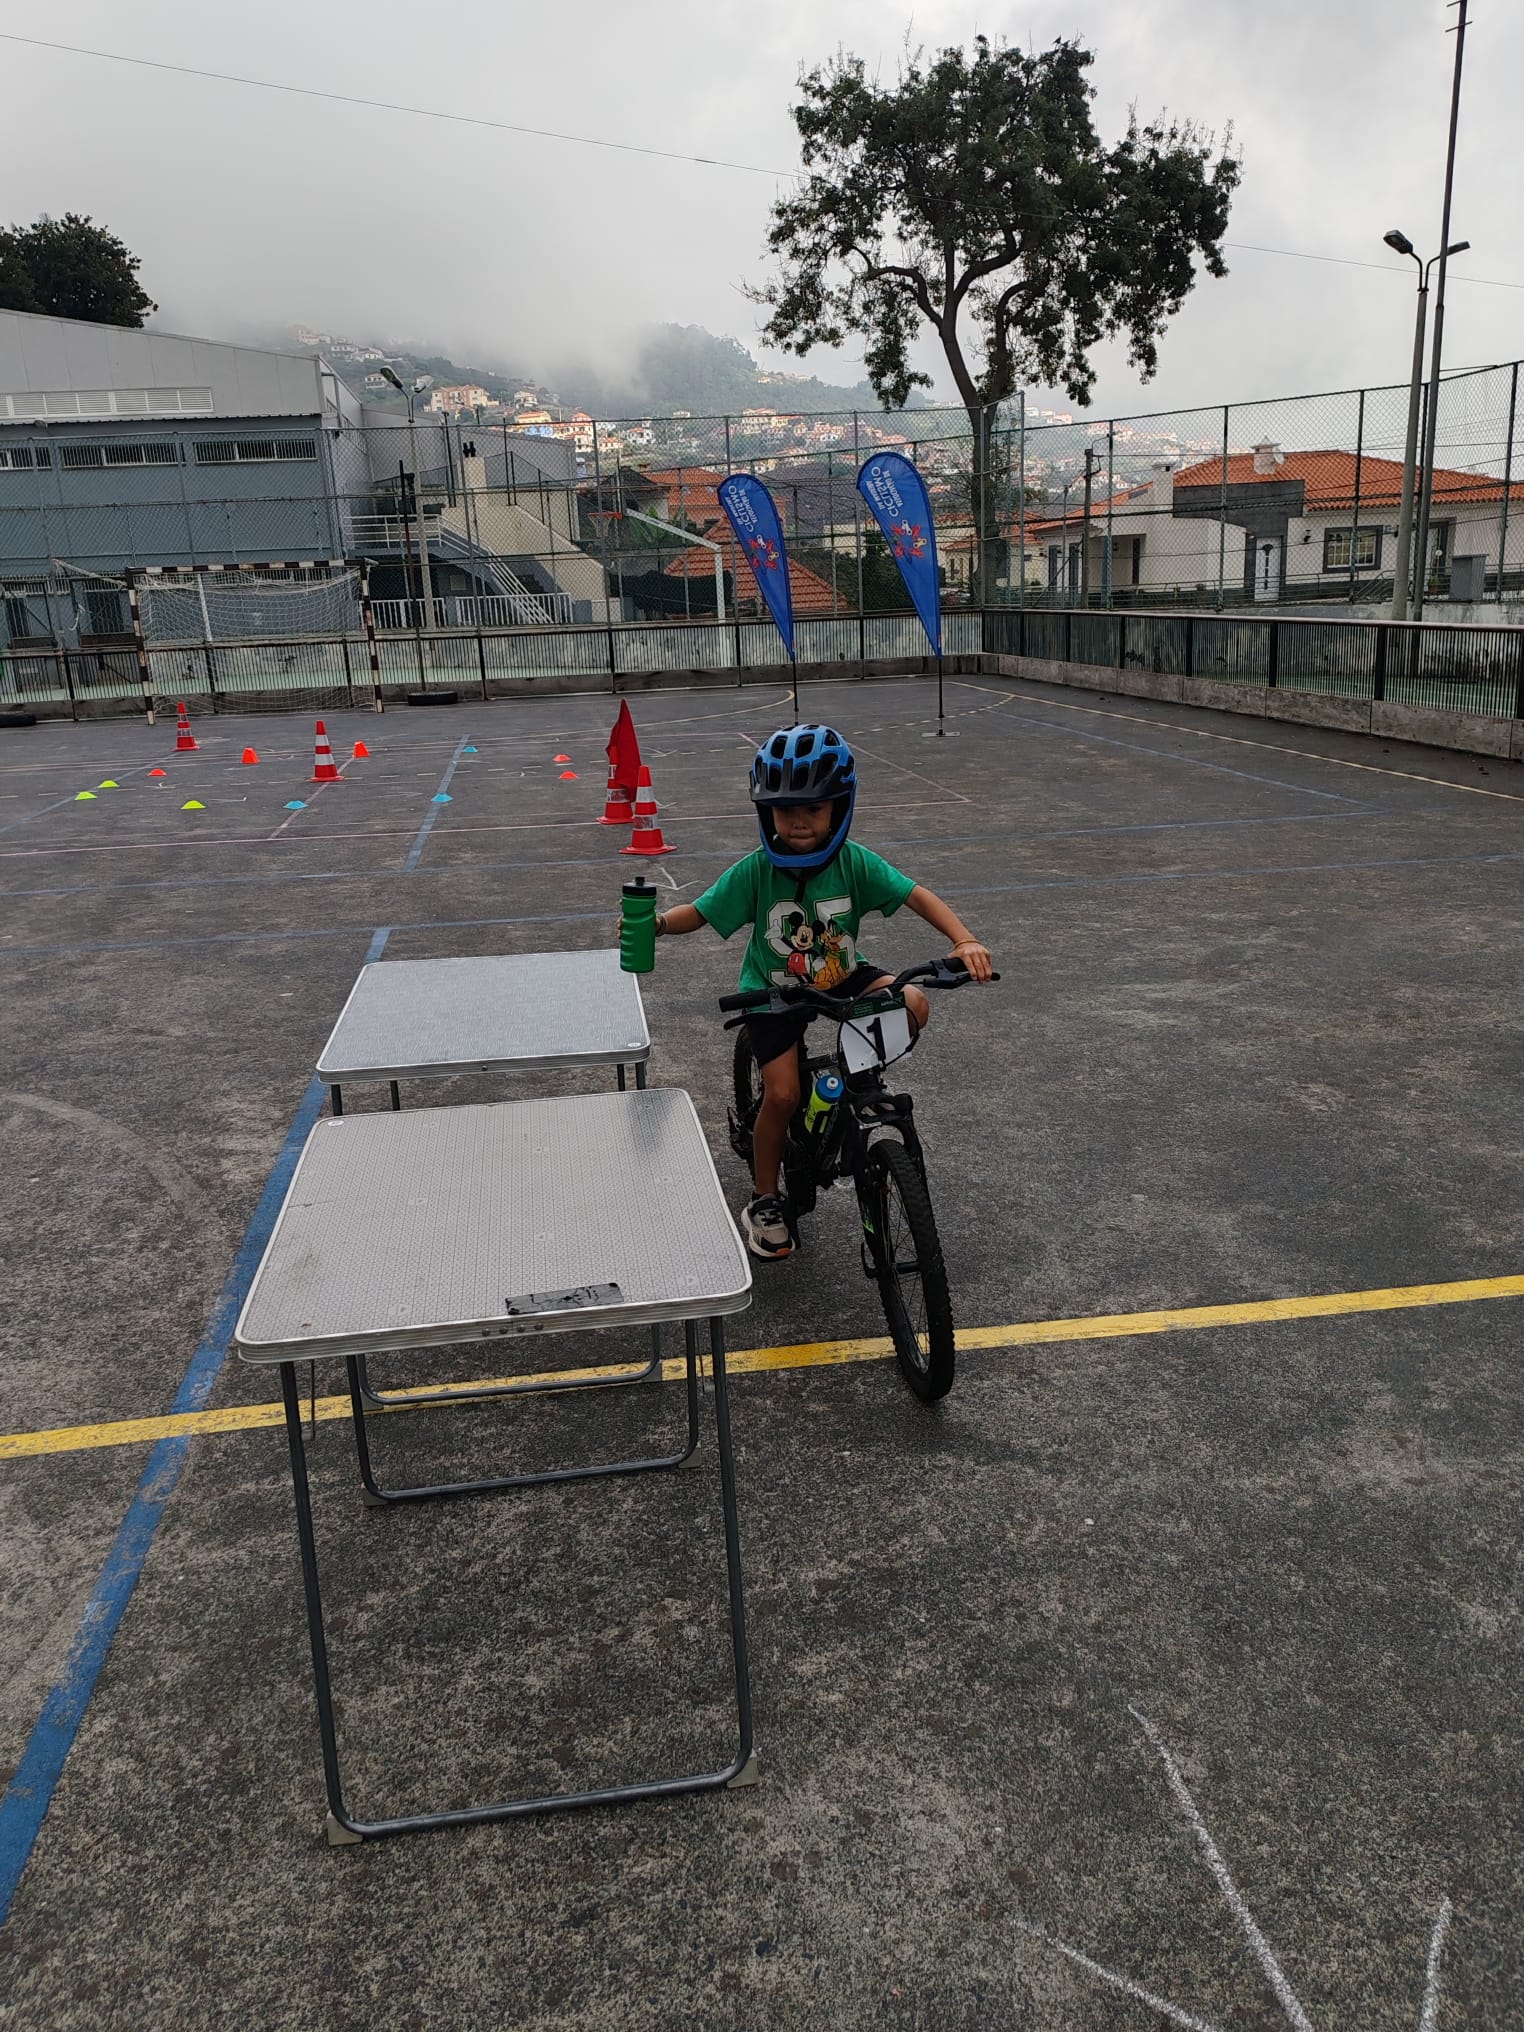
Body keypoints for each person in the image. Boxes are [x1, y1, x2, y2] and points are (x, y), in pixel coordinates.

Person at [648, 723, 993, 1261]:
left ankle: (856, 1076)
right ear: (766, 813)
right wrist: (659, 925)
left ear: (840, 806)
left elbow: (915, 895)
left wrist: (964, 939)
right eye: (785, 810)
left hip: (840, 974)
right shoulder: (757, 870)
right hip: (772, 988)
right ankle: (764, 1198)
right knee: (783, 1095)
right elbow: (701, 911)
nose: (799, 821)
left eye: (814, 808)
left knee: (913, 1000)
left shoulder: (854, 862)